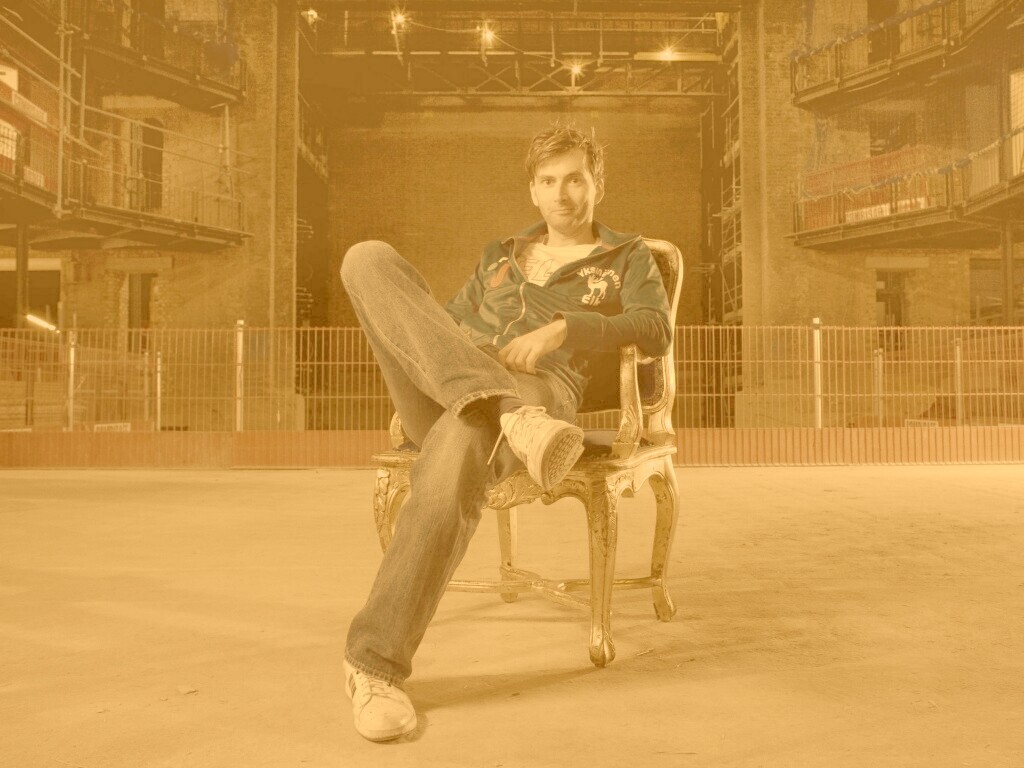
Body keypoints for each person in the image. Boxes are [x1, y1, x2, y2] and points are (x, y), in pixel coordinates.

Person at [338, 124, 673, 742]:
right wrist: (461, 354)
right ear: (533, 190)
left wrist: (565, 328)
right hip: (455, 382)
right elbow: (445, 322)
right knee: (367, 258)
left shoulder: (627, 256)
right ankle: (505, 414)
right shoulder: (500, 255)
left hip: (544, 387)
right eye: (548, 181)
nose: (562, 194)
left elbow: (655, 326)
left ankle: (373, 665)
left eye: (575, 179)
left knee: (467, 437)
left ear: (597, 184)